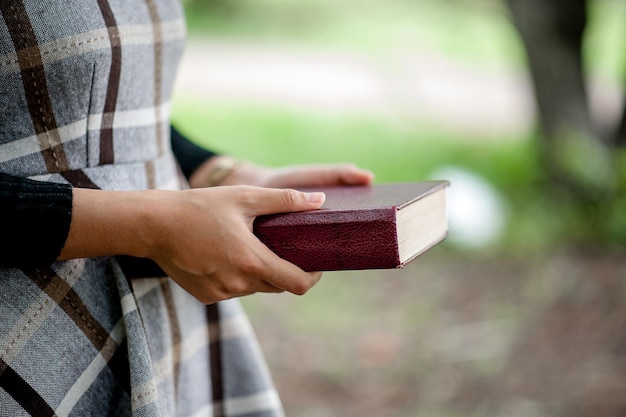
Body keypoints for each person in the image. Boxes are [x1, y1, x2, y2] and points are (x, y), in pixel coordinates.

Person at [0, 1, 373, 416]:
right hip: (25, 316)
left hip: (158, 296)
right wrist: (151, 225)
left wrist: (216, 171)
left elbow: (112, 94)